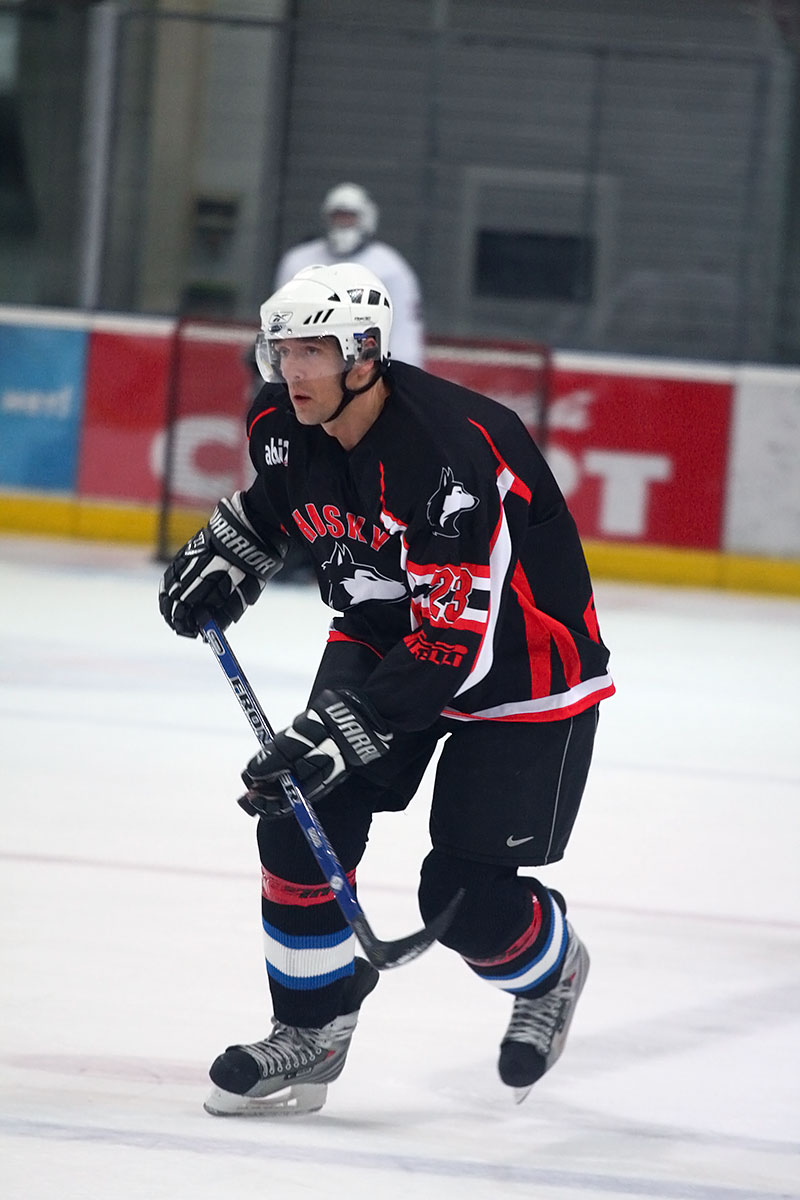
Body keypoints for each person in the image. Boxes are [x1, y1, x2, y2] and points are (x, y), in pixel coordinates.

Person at [159, 262, 615, 1118]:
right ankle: (311, 1029)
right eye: (282, 349)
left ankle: (552, 971)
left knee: (465, 902)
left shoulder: (449, 457)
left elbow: (454, 640)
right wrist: (235, 549)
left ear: (364, 354)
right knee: (299, 813)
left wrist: (348, 728)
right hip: (384, 634)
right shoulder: (282, 419)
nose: (291, 369)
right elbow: (283, 499)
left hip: (523, 676)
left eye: (313, 351)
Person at [274, 182, 425, 368]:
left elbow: (404, 333)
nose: (343, 224)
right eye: (338, 217)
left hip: (365, 368)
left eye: (349, 217)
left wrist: (402, 377)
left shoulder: (390, 269)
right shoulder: (298, 263)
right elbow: (281, 324)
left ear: (367, 218)